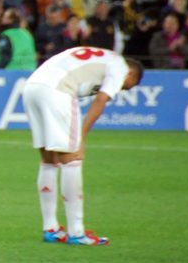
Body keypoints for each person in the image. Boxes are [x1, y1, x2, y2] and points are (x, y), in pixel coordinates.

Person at [22, 47, 144, 246]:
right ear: (131, 74)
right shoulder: (120, 66)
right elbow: (101, 99)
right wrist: (81, 137)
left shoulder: (103, 57)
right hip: (58, 90)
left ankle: (50, 228)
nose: (123, 89)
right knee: (72, 159)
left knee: (49, 160)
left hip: (32, 87)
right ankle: (76, 232)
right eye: (128, 86)